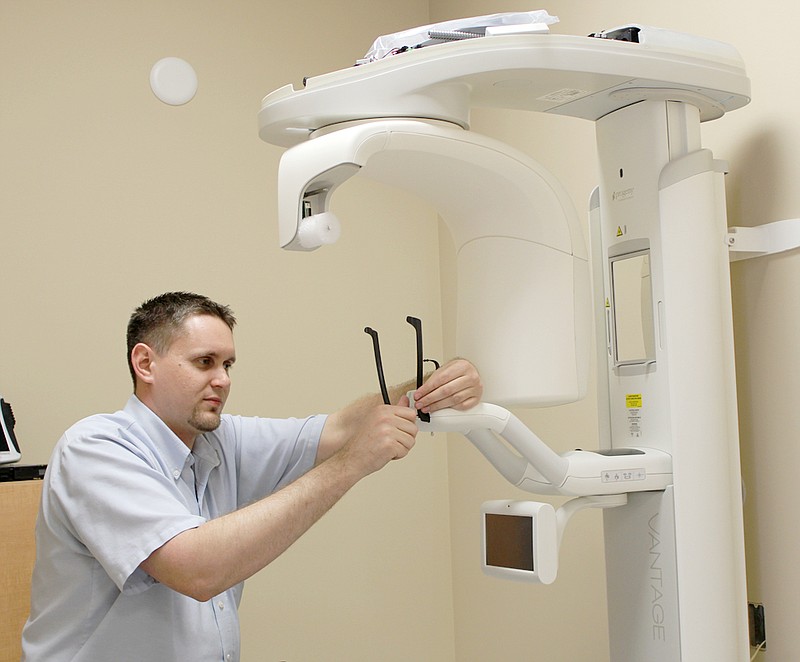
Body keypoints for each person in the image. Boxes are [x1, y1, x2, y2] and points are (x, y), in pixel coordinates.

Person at [21, 292, 482, 662]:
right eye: (205, 362)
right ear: (145, 364)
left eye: (228, 364)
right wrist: (351, 465)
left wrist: (433, 389)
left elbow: (340, 428)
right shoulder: (96, 449)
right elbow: (197, 571)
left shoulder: (221, 441)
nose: (222, 379)